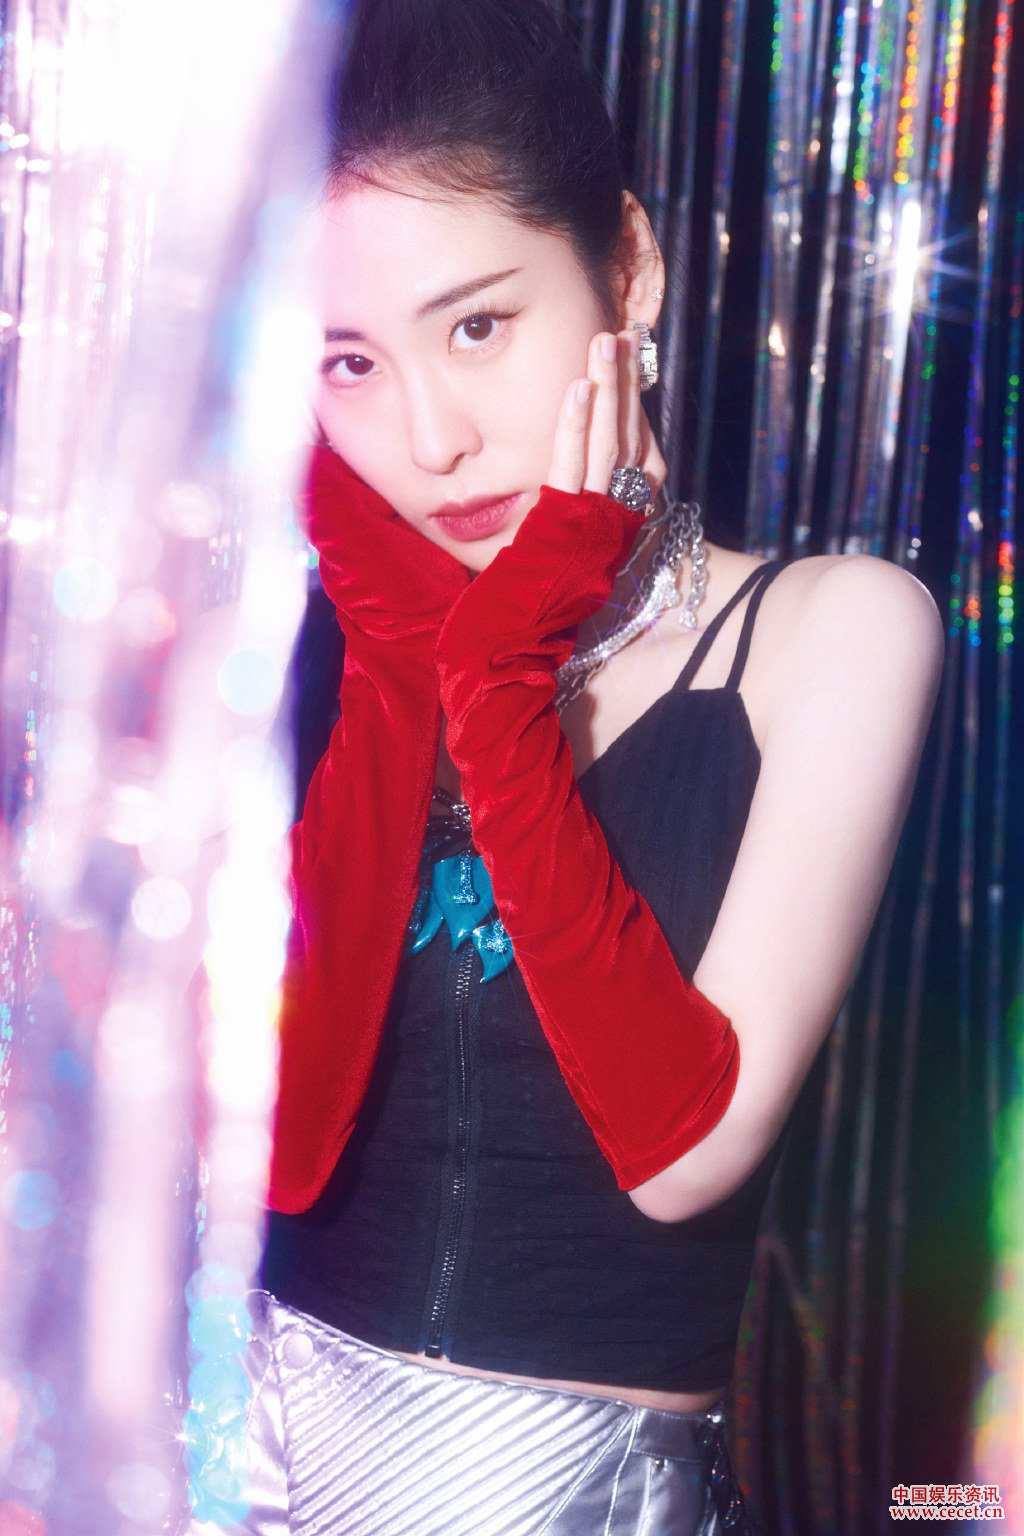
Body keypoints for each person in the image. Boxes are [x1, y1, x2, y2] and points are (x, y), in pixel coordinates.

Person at [210, 0, 944, 1530]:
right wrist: (408, 664)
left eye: (478, 326)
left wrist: (500, 682)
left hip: (557, 1497)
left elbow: (683, 1154)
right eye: (348, 361)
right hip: (233, 1466)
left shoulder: (834, 633)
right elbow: (280, 1155)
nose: (431, 438)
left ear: (630, 269)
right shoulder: (317, 647)